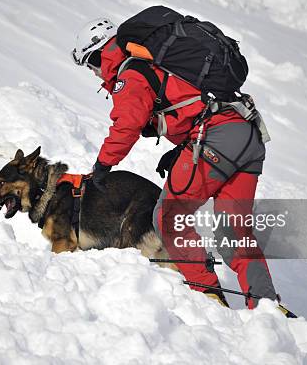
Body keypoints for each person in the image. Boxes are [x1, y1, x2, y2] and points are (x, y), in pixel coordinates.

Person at [71, 17, 291, 314]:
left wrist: (102, 165)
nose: (96, 75)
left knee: (169, 216)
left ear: (100, 53)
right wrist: (181, 150)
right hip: (247, 136)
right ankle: (267, 305)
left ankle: (206, 294)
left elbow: (127, 125)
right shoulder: (158, 64)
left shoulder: (131, 74)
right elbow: (189, 105)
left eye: (91, 65)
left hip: (216, 139)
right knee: (233, 231)